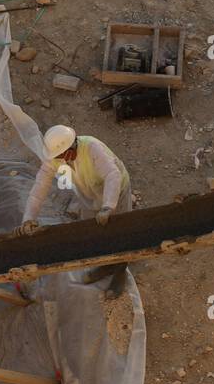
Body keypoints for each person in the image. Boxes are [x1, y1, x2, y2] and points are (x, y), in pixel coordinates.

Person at [16, 125, 133, 296]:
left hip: (116, 191)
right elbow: (38, 189)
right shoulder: (57, 158)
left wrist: (108, 206)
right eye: (56, 157)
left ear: (71, 148)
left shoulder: (92, 148)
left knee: (120, 233)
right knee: (96, 233)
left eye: (61, 156)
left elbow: (112, 175)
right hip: (90, 195)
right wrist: (28, 218)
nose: (59, 160)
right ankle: (106, 265)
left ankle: (120, 271)